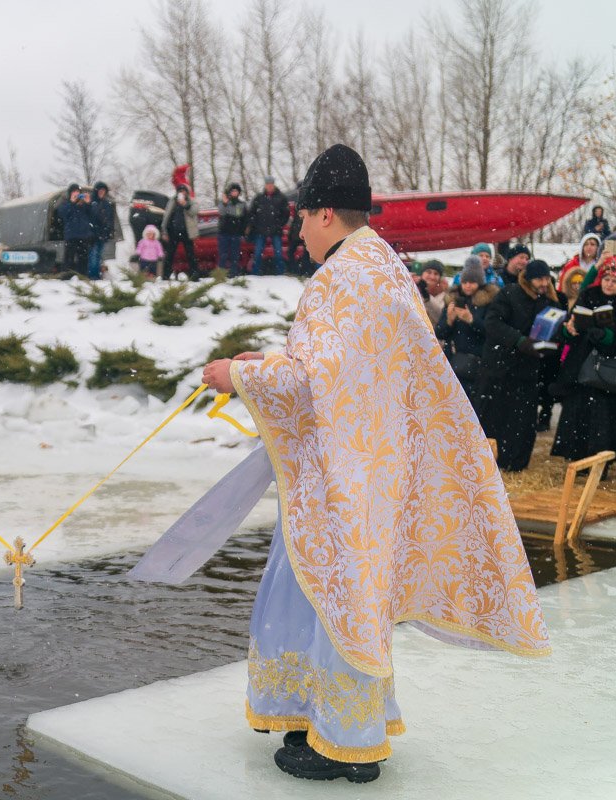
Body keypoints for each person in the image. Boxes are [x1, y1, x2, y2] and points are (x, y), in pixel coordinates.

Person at [201, 144, 549, 783]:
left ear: (324, 213)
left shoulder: (341, 278)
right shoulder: (382, 266)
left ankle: (347, 743)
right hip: (372, 466)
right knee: (335, 593)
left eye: (300, 219)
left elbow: (312, 383)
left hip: (345, 474)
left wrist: (237, 376)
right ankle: (327, 720)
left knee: (341, 597)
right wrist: (267, 364)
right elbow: (341, 373)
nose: (296, 233)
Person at [474, 259, 564, 470]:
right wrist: (519, 340)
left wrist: (550, 343)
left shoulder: (550, 302)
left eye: (546, 278)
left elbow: (555, 331)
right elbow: (493, 323)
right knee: (494, 415)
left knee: (521, 419)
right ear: (528, 279)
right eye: (539, 279)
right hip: (499, 367)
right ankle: (488, 461)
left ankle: (515, 461)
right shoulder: (509, 294)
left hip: (526, 370)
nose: (544, 283)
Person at [550, 255, 616, 467]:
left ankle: (599, 464)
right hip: (581, 365)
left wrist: (605, 335)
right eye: (606, 279)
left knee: (603, 421)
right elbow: (571, 322)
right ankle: (576, 459)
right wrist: (569, 329)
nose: (609, 284)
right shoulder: (589, 295)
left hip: (608, 373)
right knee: (578, 414)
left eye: (615, 281)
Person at [435, 257, 498, 408]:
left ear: (479, 282)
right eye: (465, 282)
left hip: (478, 362)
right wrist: (449, 321)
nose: (468, 286)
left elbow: (492, 331)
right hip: (454, 361)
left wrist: (472, 320)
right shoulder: (453, 300)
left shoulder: (488, 302)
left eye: (472, 282)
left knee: (474, 406)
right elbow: (439, 333)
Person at [247, 177, 290, 275]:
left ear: (274, 185)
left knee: (278, 253)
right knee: (257, 253)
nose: (269, 186)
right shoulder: (259, 198)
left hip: (276, 230)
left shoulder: (281, 197)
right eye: (268, 184)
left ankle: (280, 274)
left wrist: (279, 224)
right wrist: (256, 225)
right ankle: (255, 274)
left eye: (271, 184)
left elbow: (286, 214)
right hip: (260, 230)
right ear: (265, 185)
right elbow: (252, 213)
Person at [161, 184, 200, 279]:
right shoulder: (172, 201)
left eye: (184, 191)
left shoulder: (192, 201)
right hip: (173, 232)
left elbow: (194, 212)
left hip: (187, 232)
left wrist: (185, 204)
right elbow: (166, 216)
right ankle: (165, 275)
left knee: (190, 254)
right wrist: (164, 231)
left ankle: (194, 274)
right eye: (180, 191)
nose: (182, 193)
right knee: (170, 254)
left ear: (187, 192)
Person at [55, 184, 95, 275]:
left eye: (78, 192)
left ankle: (83, 276)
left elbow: (93, 215)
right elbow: (62, 213)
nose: (76, 193)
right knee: (69, 258)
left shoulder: (83, 205)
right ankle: (66, 275)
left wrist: (88, 203)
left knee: (83, 259)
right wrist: (72, 202)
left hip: (84, 236)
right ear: (70, 193)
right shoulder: (66, 203)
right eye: (74, 192)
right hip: (71, 236)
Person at [558, 233, 604, 306]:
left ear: (598, 247)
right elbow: (562, 285)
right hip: (572, 301)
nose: (589, 247)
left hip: (594, 301)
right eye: (586, 244)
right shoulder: (571, 264)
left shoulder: (601, 265)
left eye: (592, 244)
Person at [87, 181, 116, 280]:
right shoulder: (91, 203)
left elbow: (110, 219)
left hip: (103, 234)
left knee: (99, 255)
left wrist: (109, 231)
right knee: (93, 255)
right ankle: (92, 275)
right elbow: (89, 218)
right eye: (100, 190)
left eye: (103, 191)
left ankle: (97, 275)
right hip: (93, 234)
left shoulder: (107, 204)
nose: (102, 192)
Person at [217, 182, 247, 274]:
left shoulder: (242, 204)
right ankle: (221, 274)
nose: (234, 193)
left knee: (235, 255)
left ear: (239, 192)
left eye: (236, 191)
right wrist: (225, 203)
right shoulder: (223, 202)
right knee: (223, 255)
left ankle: (234, 273)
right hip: (224, 233)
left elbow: (244, 218)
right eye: (232, 191)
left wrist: (243, 231)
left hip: (236, 233)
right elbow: (221, 212)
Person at [414, 260, 447, 325]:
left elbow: (440, 318)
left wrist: (426, 295)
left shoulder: (444, 296)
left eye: (436, 274)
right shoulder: (413, 289)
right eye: (428, 272)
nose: (432, 277)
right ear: (422, 274)